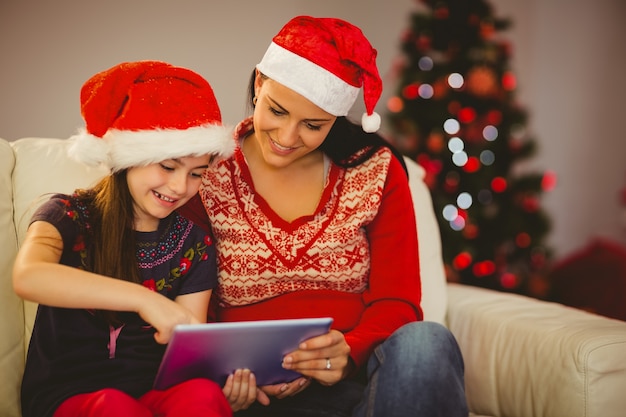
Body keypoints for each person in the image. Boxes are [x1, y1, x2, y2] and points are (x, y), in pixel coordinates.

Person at [179, 16, 468, 417]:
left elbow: (398, 302)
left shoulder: (375, 169)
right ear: (259, 84)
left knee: (427, 341)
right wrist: (220, 378)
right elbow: (188, 303)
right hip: (251, 397)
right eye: (277, 112)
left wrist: (348, 352)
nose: (287, 138)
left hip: (358, 390)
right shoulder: (202, 173)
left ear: (334, 119)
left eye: (313, 125)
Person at [12, 61, 236, 417]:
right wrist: (144, 301)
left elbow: (188, 346)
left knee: (204, 396)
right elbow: (28, 275)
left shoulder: (192, 242)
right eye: (167, 166)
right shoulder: (68, 215)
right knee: (114, 408)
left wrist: (226, 380)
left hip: (154, 393)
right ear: (129, 159)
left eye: (197, 174)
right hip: (70, 395)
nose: (181, 187)